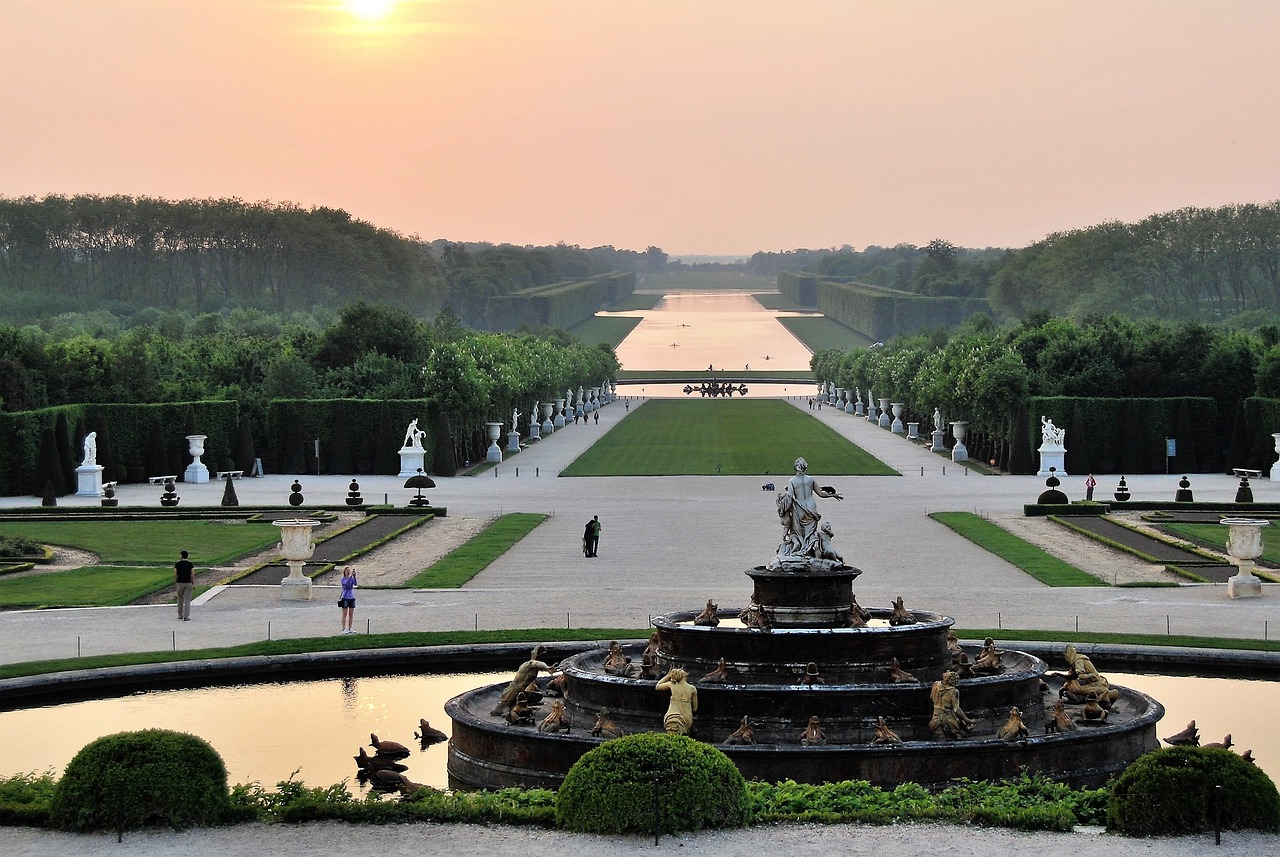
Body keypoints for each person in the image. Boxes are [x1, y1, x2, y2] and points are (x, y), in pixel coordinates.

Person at [174, 550, 194, 621]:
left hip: (180, 583)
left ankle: (180, 615)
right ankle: (186, 616)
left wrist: (176, 581)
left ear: (182, 556)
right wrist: (192, 582)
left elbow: (175, 574)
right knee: (187, 600)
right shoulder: (190, 564)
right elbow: (192, 574)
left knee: (180, 599)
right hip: (188, 583)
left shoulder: (177, 564)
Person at [338, 565, 358, 634]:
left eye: (349, 571)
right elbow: (347, 585)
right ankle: (343, 628)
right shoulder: (343, 579)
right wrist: (351, 577)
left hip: (351, 597)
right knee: (344, 614)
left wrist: (354, 577)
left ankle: (350, 628)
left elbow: (355, 583)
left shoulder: (351, 578)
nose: (348, 572)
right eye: (347, 571)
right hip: (345, 597)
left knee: (351, 614)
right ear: (344, 572)